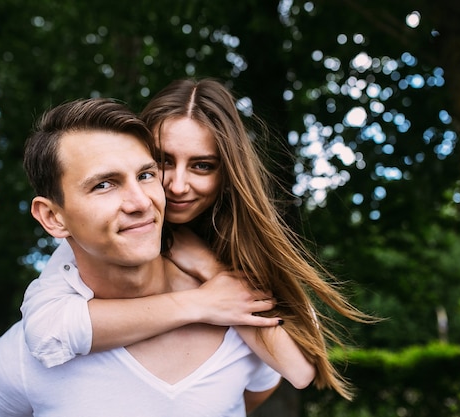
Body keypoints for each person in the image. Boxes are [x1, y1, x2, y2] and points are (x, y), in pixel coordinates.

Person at [19, 78, 375, 399]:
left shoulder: (239, 242)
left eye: (202, 165)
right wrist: (201, 303)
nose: (176, 185)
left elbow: (298, 371)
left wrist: (209, 266)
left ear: (227, 173)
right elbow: (46, 332)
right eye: (162, 162)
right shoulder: (92, 245)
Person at [0, 98, 283, 417]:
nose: (140, 202)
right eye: (104, 185)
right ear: (52, 217)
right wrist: (199, 302)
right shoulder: (19, 358)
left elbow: (285, 378)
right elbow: (48, 331)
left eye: (146, 175)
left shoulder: (240, 323)